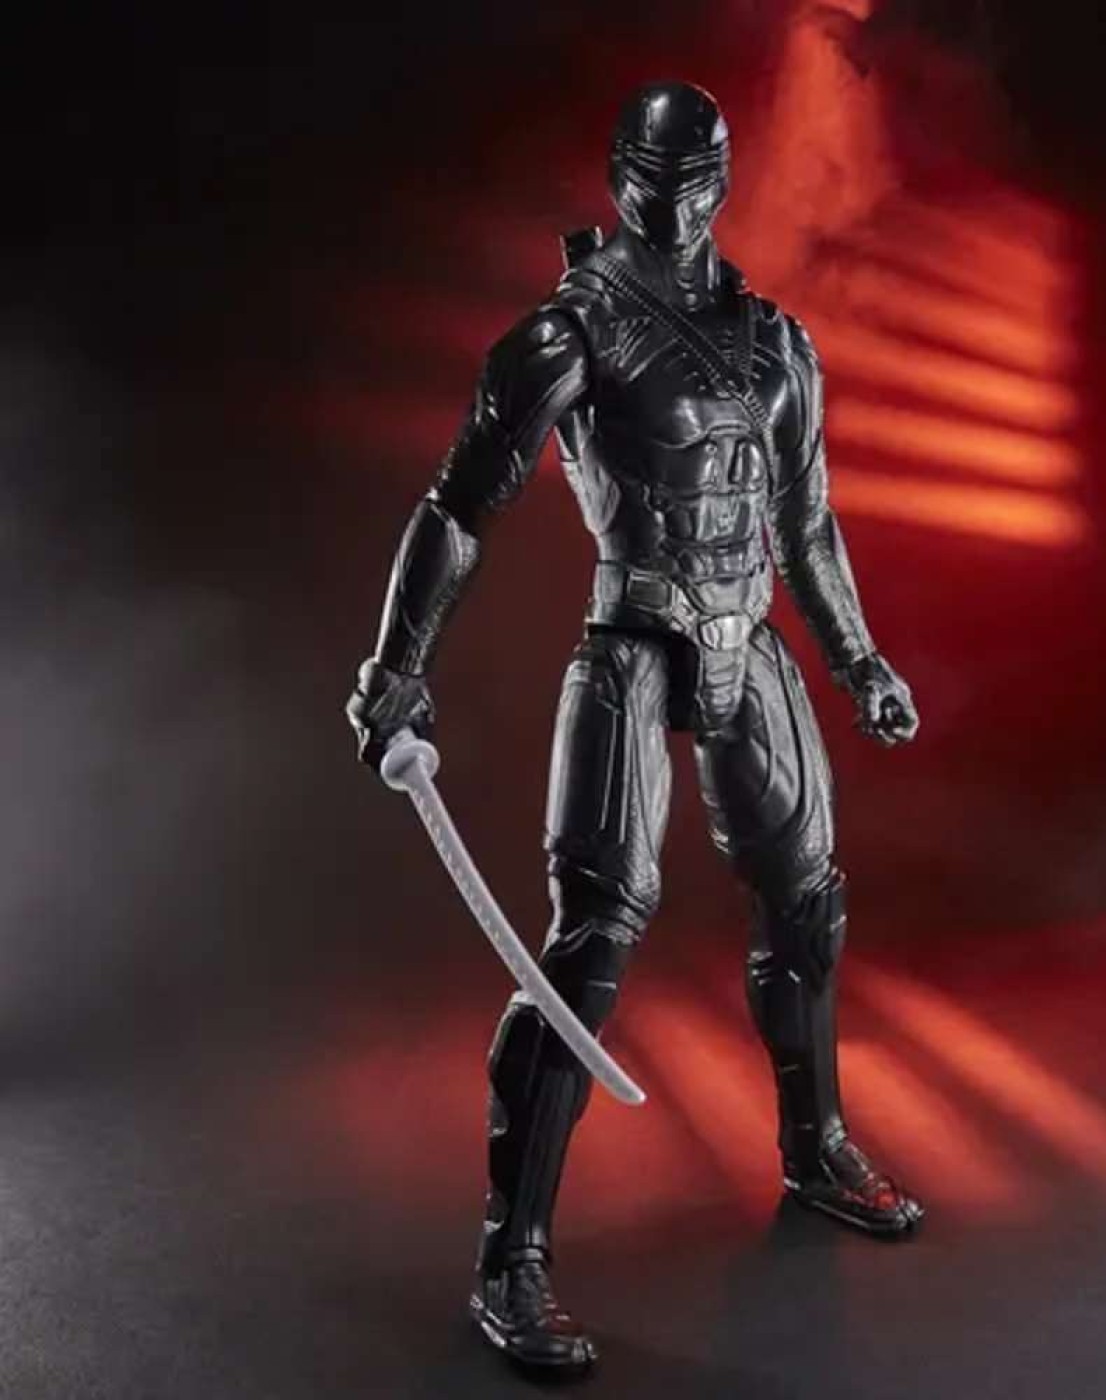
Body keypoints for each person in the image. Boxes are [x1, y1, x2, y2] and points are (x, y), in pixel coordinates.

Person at [346, 79, 923, 1377]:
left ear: (727, 175)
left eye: (698, 172)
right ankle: (512, 1257)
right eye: (654, 175)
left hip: (747, 637)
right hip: (633, 640)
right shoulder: (571, 330)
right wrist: (397, 667)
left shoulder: (776, 344)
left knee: (810, 905)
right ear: (618, 174)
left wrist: (859, 661)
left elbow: (807, 526)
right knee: (592, 942)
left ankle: (816, 1146)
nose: (675, 198)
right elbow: (459, 506)